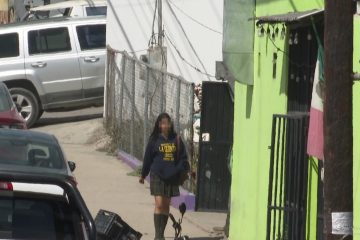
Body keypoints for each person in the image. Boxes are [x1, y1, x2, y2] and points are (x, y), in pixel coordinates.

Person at [139, 113, 189, 240]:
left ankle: (161, 233)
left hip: (171, 176)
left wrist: (180, 169)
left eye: (167, 122)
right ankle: (158, 236)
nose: (165, 125)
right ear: (159, 125)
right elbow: (148, 159)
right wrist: (143, 174)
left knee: (166, 206)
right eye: (163, 123)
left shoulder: (176, 139)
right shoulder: (154, 139)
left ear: (170, 124)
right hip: (157, 175)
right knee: (159, 204)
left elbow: (183, 157)